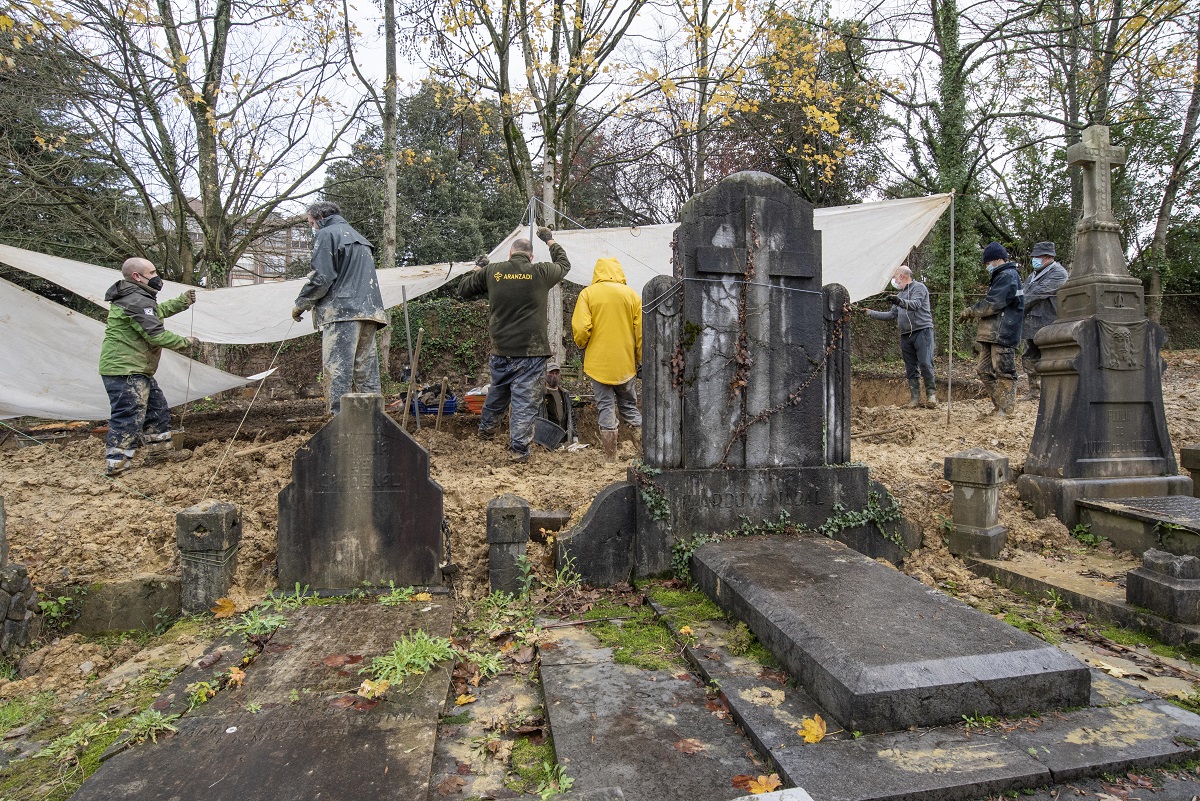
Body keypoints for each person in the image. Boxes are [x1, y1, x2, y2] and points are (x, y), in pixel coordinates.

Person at [458, 227, 570, 462]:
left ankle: (486, 432)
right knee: (524, 401)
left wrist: (478, 266)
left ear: (510, 254)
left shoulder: (493, 271)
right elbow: (564, 264)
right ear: (531, 257)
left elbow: (463, 289)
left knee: (498, 391)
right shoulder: (540, 271)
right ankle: (518, 450)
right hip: (531, 351)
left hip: (501, 350)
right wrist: (549, 240)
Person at [98, 257, 198, 476]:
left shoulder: (136, 297)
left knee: (156, 409)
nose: (156, 277)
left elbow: (154, 313)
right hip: (125, 369)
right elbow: (155, 334)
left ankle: (160, 453)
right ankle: (117, 465)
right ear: (137, 276)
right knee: (128, 415)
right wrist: (185, 342)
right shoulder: (135, 299)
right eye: (152, 273)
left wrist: (182, 302)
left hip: (135, 368)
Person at [291, 201, 388, 415]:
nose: (312, 228)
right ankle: (374, 421)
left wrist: (301, 303)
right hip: (369, 312)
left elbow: (322, 278)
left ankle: (337, 423)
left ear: (321, 218)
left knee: (337, 372)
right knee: (366, 373)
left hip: (343, 312)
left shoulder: (326, 234)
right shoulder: (359, 238)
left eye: (311, 223)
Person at [571, 257, 642, 459]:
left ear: (598, 272)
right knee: (629, 406)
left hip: (598, 364)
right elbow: (641, 332)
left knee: (605, 406)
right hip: (625, 364)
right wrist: (640, 358)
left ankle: (610, 457)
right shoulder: (632, 295)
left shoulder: (587, 294)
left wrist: (582, 343)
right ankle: (644, 452)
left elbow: (581, 328)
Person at [959, 242, 1025, 417]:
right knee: (983, 369)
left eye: (988, 262)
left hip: (1003, 331)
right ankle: (1000, 406)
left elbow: (994, 303)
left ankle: (1006, 409)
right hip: (992, 332)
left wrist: (971, 311)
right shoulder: (1001, 276)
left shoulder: (1008, 275)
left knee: (1004, 371)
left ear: (998, 259)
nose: (987, 266)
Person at [860, 265, 937, 408]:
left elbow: (915, 304)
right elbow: (891, 315)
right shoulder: (900, 295)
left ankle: (931, 396)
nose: (894, 280)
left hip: (922, 331)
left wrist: (898, 301)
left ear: (902, 276)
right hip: (905, 335)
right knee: (911, 368)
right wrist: (870, 313)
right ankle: (915, 399)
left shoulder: (919, 288)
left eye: (895, 277)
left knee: (925, 364)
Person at [1021, 241, 1069, 400]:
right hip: (1031, 322)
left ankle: (1052, 393)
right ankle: (1035, 392)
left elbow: (1037, 293)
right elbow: (1023, 292)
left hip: (1049, 322)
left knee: (1049, 358)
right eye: (1033, 256)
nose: (1034, 259)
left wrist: (1016, 305)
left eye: (1038, 256)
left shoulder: (1058, 273)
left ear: (1048, 257)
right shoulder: (1033, 275)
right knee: (1030, 356)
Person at [538, 362, 577, 447]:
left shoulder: (564, 394)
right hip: (546, 441)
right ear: (545, 374)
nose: (554, 376)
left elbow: (571, 416)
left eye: (556, 373)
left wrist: (575, 436)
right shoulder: (540, 394)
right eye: (551, 373)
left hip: (564, 442)